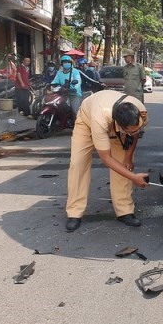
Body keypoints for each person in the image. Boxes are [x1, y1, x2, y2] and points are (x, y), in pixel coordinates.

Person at [65, 90, 149, 231]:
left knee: (123, 163)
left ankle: (125, 211)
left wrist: (128, 157)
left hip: (115, 122)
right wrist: (134, 178)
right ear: (119, 126)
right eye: (128, 130)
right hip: (87, 121)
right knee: (78, 164)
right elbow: (106, 158)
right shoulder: (100, 119)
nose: (134, 131)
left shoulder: (140, 110)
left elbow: (135, 133)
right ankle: (74, 212)